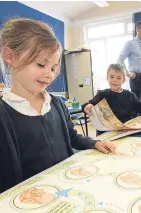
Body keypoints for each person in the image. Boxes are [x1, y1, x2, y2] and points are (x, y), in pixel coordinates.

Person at [0, 18, 116, 193]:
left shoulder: (56, 104)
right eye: (41, 64)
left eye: (54, 68)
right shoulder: (4, 113)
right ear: (10, 56)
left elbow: (72, 137)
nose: (49, 75)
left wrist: (94, 143)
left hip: (66, 191)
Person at [83, 63, 141, 135]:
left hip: (125, 132)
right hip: (106, 134)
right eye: (111, 77)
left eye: (118, 78)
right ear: (107, 78)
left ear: (123, 80)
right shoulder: (102, 94)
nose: (114, 80)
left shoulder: (130, 95)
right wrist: (87, 106)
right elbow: (88, 105)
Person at [117, 21, 141, 103]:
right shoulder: (130, 43)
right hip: (136, 77)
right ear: (138, 29)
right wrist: (127, 74)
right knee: (137, 103)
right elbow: (120, 59)